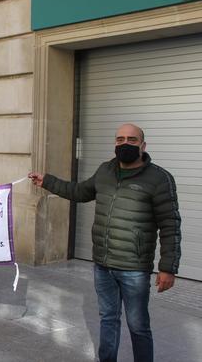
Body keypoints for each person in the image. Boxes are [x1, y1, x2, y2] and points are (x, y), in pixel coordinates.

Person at [28, 123, 181, 362]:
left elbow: (170, 226)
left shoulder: (159, 179)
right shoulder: (105, 171)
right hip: (103, 265)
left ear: (143, 145)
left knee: (138, 325)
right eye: (120, 139)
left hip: (135, 268)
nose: (125, 144)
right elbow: (79, 192)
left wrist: (168, 267)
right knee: (108, 319)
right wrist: (47, 180)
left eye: (132, 139)